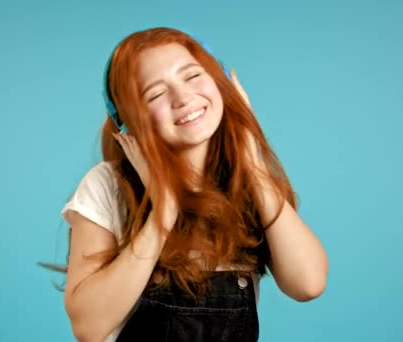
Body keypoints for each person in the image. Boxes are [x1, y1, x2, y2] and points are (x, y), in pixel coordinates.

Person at [58, 26, 329, 342]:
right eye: (156, 93)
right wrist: (162, 214)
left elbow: (308, 284)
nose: (183, 97)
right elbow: (88, 327)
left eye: (192, 76)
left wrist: (253, 169)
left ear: (222, 83)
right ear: (129, 123)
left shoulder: (249, 184)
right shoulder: (107, 186)